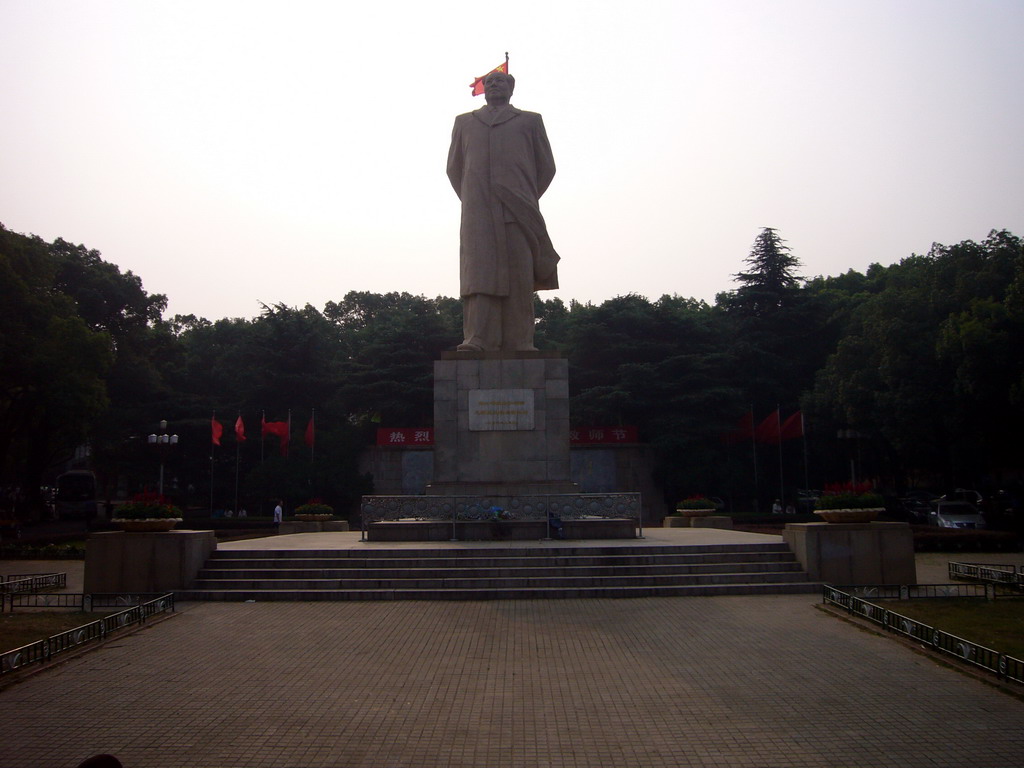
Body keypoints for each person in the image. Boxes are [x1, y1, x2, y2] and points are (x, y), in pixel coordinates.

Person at [447, 71, 559, 352]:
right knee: (480, 275)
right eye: (490, 82)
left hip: (518, 208)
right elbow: (454, 168)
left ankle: (521, 340)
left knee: (519, 275)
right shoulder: (465, 122)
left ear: (512, 88)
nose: (495, 85)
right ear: (483, 89)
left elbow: (546, 167)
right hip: (478, 212)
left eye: (501, 82)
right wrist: (475, 198)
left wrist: (523, 194)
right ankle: (478, 338)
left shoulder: (530, 121)